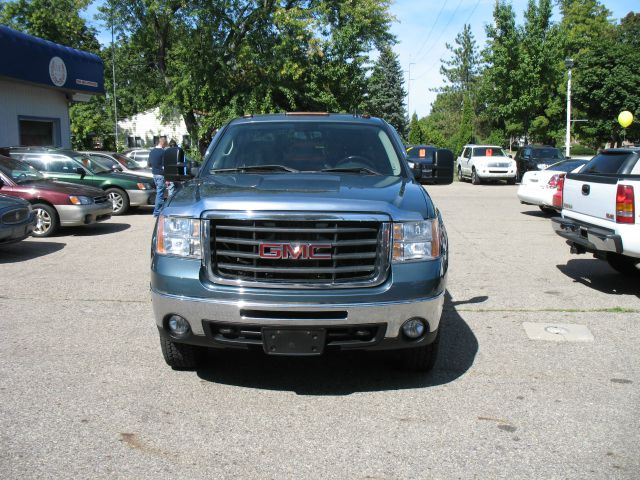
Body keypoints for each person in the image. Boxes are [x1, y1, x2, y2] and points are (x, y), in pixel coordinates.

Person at [149, 136, 175, 217]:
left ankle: (157, 211)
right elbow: (165, 165)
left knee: (159, 193)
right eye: (166, 143)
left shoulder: (152, 151)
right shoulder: (163, 152)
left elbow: (149, 163)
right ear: (163, 143)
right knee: (160, 194)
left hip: (154, 174)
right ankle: (157, 212)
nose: (166, 145)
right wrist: (167, 177)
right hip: (161, 175)